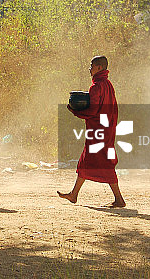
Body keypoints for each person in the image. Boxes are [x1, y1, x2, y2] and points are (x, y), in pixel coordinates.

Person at [58, 55, 126, 208]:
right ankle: (74, 194)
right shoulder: (108, 84)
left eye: (92, 66)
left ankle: (119, 199)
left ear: (99, 68)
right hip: (107, 127)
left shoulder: (96, 87)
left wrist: (75, 111)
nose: (90, 69)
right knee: (87, 160)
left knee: (102, 162)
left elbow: (93, 110)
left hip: (98, 129)